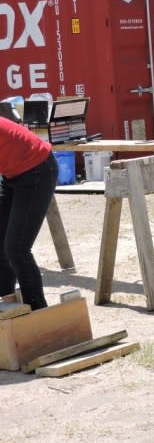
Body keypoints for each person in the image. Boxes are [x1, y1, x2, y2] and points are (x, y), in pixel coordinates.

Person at [0, 116, 58, 310]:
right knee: (2, 247)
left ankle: (39, 312)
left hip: (37, 170)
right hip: (12, 175)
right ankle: (7, 311)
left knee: (16, 249)